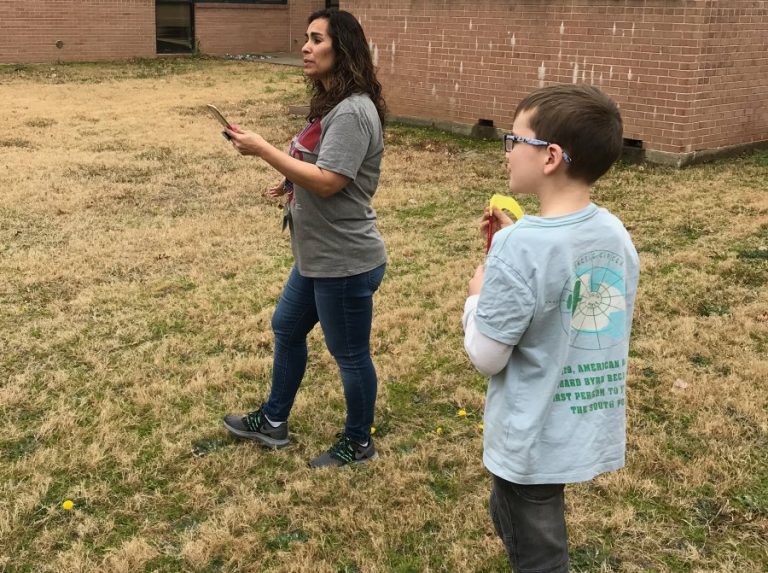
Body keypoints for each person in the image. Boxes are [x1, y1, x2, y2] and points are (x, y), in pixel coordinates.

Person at [462, 84, 639, 572]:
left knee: (539, 553)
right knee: (518, 518)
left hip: (531, 436)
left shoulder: (519, 247)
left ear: (550, 156)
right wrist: (504, 259)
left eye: (514, 140)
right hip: (580, 424)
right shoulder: (614, 233)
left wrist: (479, 293)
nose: (508, 152)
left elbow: (486, 355)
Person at [222, 9, 387, 468]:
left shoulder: (353, 112)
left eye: (317, 39)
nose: (305, 47)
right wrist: (290, 182)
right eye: (306, 38)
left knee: (350, 355)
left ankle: (358, 442)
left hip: (345, 261)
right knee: (287, 327)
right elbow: (316, 168)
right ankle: (274, 420)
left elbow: (332, 180)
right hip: (317, 257)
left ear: (343, 49)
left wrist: (265, 152)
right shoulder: (333, 105)